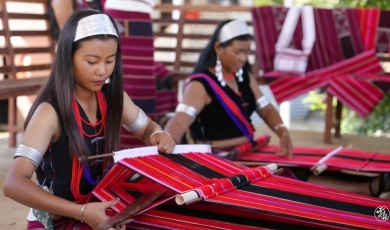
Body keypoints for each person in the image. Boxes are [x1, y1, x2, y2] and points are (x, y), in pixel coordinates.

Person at [164, 19, 390, 199]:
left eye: (246, 52)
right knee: (289, 174)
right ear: (217, 48)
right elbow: (181, 120)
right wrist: (164, 150)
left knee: (310, 164)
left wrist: (281, 129)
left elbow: (266, 108)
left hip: (249, 149)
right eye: (237, 52)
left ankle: (375, 181)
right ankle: (369, 189)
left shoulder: (244, 77)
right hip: (222, 158)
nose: (243, 58)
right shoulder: (200, 85)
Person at [3, 10, 175, 230]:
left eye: (110, 60)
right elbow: (14, 183)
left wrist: (157, 134)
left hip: (100, 207)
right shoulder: (49, 112)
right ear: (68, 57)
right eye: (92, 61)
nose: (102, 71)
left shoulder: (111, 96)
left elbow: (147, 128)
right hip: (60, 219)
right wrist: (82, 212)